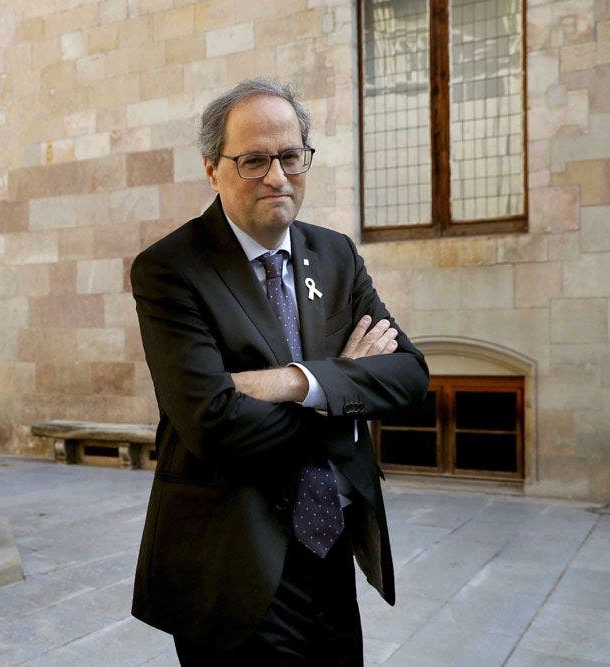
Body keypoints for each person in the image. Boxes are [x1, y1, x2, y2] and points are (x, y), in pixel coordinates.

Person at [129, 78, 430, 665]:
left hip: (332, 550)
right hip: (231, 560)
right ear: (212, 170)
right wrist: (343, 387)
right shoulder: (171, 269)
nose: (277, 177)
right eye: (254, 161)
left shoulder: (335, 254)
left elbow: (410, 375)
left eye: (291, 156)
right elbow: (212, 423)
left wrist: (298, 381)